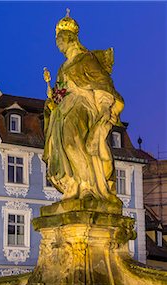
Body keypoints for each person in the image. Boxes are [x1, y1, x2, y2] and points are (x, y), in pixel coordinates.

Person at [43, 11, 124, 201]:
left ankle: (87, 186)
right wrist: (52, 99)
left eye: (59, 40)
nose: (58, 44)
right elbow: (59, 93)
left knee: (72, 143)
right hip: (64, 110)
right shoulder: (62, 68)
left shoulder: (86, 59)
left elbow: (103, 83)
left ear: (69, 38)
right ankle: (73, 184)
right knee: (60, 145)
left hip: (84, 106)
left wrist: (104, 108)